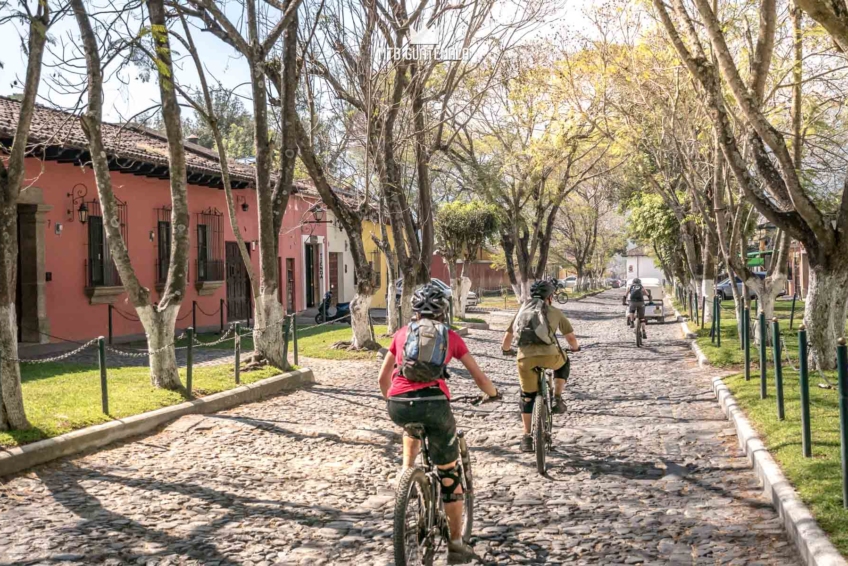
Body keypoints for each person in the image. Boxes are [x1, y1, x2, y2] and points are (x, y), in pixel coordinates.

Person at [378, 282, 500, 564]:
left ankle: (407, 471)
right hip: (435, 405)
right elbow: (479, 377)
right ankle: (456, 545)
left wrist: (392, 400)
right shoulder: (451, 337)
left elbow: (383, 379)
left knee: (411, 424)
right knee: (449, 474)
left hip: (398, 404)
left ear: (414, 311)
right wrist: (492, 393)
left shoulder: (401, 334)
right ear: (444, 311)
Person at [500, 280, 579, 453]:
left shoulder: (521, 311)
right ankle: (558, 398)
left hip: (525, 360)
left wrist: (506, 351)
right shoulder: (555, 312)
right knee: (564, 362)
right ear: (550, 297)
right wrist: (575, 348)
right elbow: (571, 339)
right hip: (550, 357)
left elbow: (507, 338)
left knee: (526, 396)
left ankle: (527, 437)